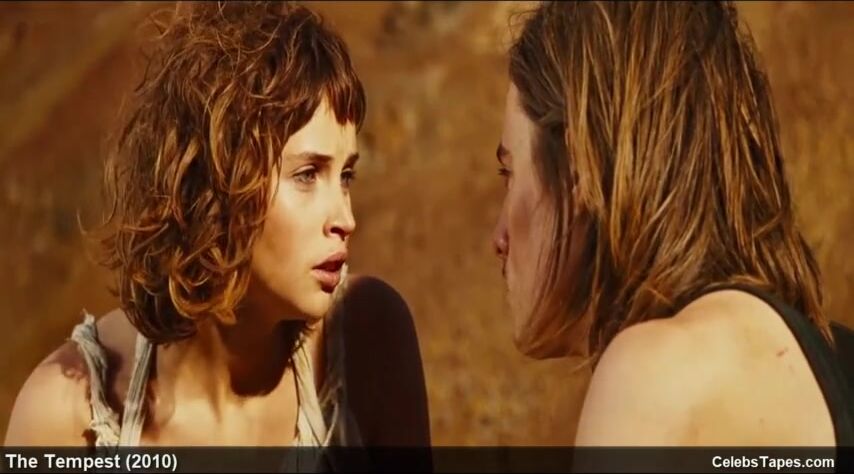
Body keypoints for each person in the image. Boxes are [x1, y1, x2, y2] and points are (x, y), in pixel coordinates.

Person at [4, 1, 430, 457]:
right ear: (213, 183)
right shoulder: (70, 417)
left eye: (345, 176)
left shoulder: (366, 346)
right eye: (307, 175)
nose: (345, 218)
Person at [493, 0, 854, 448]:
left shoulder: (654, 378)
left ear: (579, 169)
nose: (498, 238)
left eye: (509, 173)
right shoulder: (832, 364)